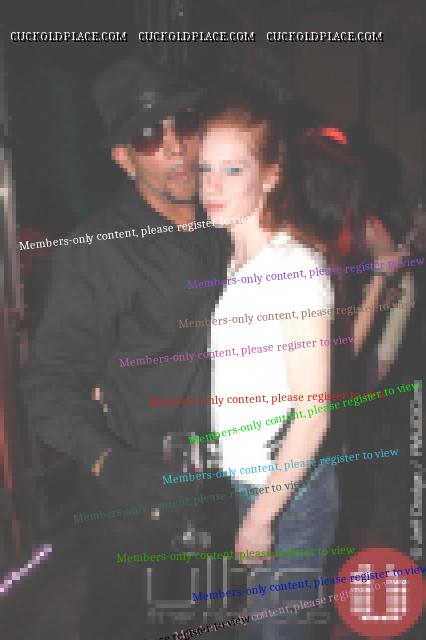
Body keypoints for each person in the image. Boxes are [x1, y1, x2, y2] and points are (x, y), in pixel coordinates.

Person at [22, 55, 230, 640]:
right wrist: (112, 465)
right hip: (138, 504)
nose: (175, 147)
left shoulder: (227, 225)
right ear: (123, 157)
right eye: (148, 136)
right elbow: (49, 385)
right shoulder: (98, 250)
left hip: (222, 487)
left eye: (183, 124)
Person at [199, 90, 339, 640]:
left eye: (233, 169)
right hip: (254, 483)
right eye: (206, 168)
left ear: (272, 175)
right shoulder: (233, 261)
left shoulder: (294, 268)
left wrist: (261, 517)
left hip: (287, 497)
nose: (212, 185)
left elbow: (313, 414)